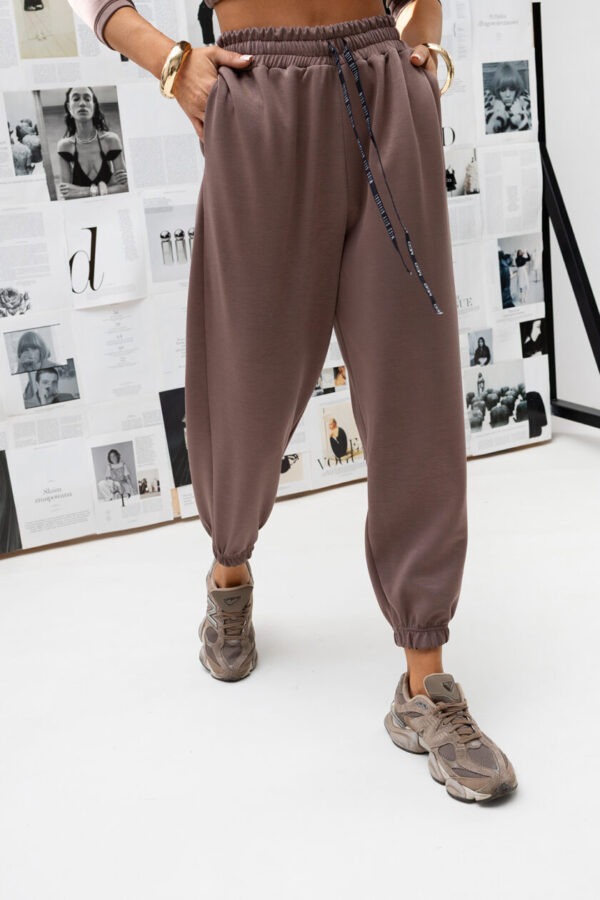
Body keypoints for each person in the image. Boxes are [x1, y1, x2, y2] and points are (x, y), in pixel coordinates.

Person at [66, 0, 518, 803]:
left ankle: (424, 681)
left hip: (384, 84)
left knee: (413, 389)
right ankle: (229, 573)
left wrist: (421, 43)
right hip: (260, 93)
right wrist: (171, 62)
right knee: (247, 380)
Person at [56, 86, 128, 199]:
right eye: (76, 99)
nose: (82, 103)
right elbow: (67, 194)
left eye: (87, 99)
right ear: (69, 108)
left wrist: (81, 191)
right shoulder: (64, 146)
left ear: (93, 106)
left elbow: (126, 187)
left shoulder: (111, 140)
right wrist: (105, 187)